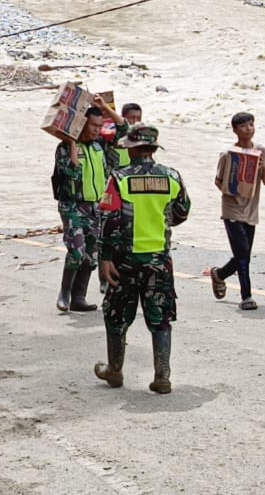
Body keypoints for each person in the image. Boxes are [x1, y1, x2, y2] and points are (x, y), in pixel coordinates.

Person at [93, 124, 191, 394]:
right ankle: (162, 375)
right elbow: (182, 212)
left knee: (116, 315)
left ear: (132, 149)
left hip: (125, 260)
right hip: (159, 260)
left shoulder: (119, 178)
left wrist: (105, 258)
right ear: (153, 149)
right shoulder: (172, 177)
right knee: (160, 317)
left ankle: (114, 370)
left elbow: (109, 220)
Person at [53, 96, 126, 312]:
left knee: (91, 255)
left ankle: (79, 297)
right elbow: (71, 171)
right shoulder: (64, 148)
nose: (96, 130)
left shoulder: (100, 145)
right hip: (73, 206)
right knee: (76, 252)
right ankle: (64, 294)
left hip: (96, 207)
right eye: (93, 125)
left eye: (99, 126)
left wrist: (104, 108)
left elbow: (123, 129)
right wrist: (72, 141)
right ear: (81, 124)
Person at [208, 112, 265, 311]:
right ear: (235, 130)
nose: (249, 129)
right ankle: (247, 295)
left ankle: (219, 274)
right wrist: (233, 190)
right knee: (243, 254)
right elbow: (218, 181)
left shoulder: (261, 151)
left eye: (251, 125)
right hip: (232, 209)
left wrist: (262, 168)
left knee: (243, 253)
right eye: (244, 126)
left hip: (251, 209)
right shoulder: (228, 154)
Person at [106, 103, 143, 171]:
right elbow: (123, 124)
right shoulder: (117, 132)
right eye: (132, 117)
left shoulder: (142, 138)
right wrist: (104, 106)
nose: (135, 121)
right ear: (123, 117)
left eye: (138, 118)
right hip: (116, 173)